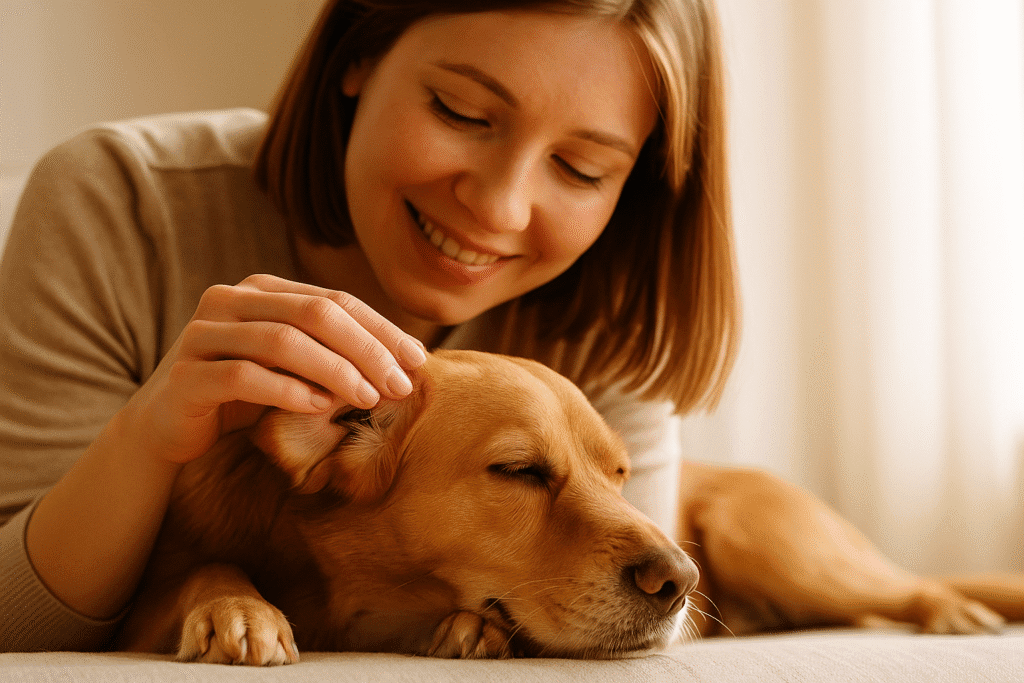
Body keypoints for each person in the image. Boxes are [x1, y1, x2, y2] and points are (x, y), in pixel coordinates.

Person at [0, 0, 738, 653]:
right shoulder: (119, 203)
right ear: (360, 50)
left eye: (580, 167)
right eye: (462, 111)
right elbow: (15, 626)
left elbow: (640, 611)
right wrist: (150, 434)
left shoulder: (612, 293)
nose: (500, 208)